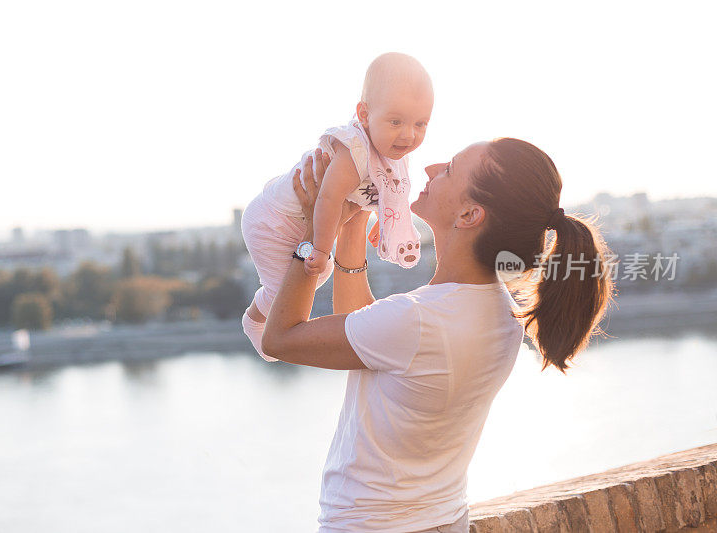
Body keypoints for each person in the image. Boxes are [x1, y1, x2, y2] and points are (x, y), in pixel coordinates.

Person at [261, 138, 615, 532]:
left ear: (469, 214)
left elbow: (279, 339)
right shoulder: (499, 313)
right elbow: (363, 336)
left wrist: (314, 235)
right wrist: (355, 219)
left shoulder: (417, 320)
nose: (430, 170)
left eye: (449, 170)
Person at [241, 52, 434, 362]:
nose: (409, 134)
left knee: (320, 274)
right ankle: (254, 320)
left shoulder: (387, 154)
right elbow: (328, 200)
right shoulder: (353, 151)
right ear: (365, 114)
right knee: (291, 288)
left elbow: (377, 196)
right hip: (271, 221)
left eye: (420, 123)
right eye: (396, 121)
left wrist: (383, 224)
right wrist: (318, 248)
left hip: (301, 218)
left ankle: (266, 304)